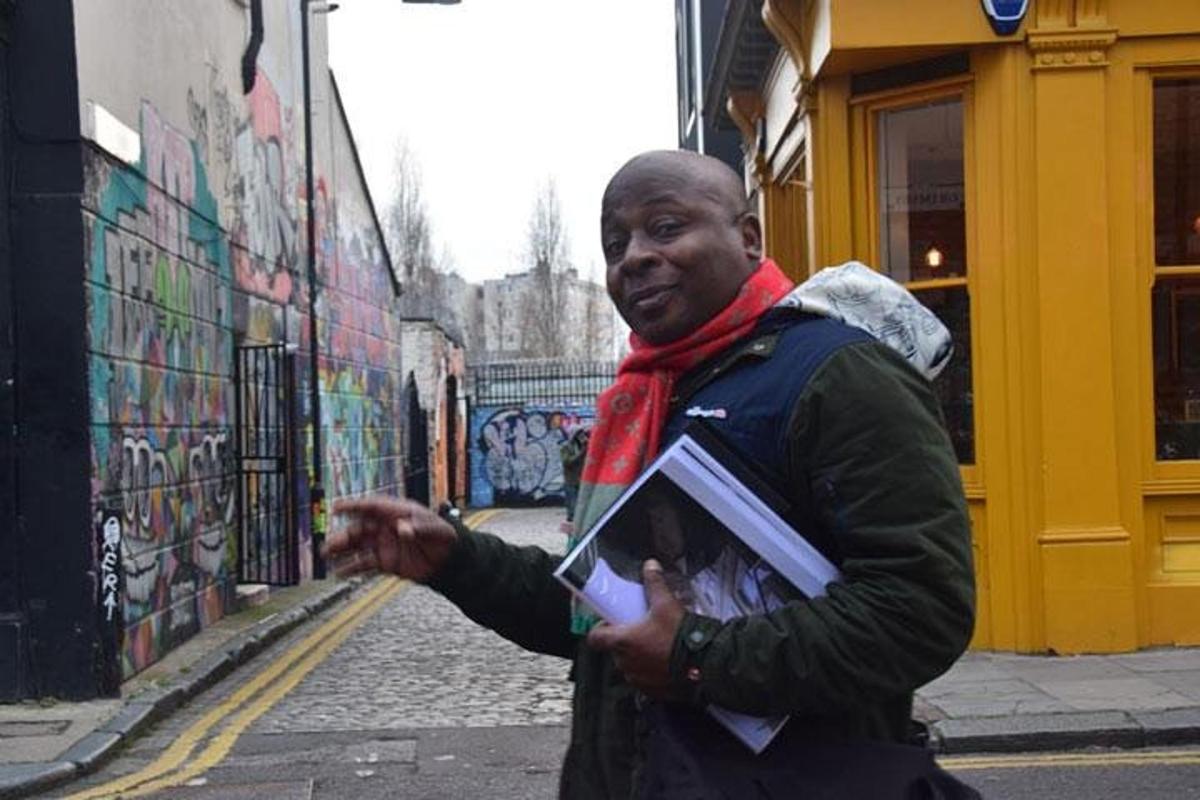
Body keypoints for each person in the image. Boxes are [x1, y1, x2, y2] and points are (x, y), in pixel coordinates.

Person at [325, 150, 977, 799]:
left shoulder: (839, 376)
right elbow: (607, 611)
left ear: (748, 238)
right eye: (615, 244)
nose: (633, 256)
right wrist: (455, 559)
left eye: (666, 228)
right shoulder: (646, 399)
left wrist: (697, 656)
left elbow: (921, 609)